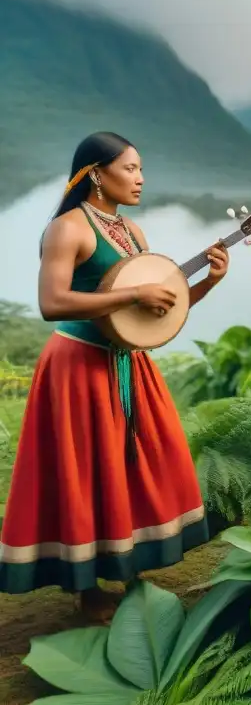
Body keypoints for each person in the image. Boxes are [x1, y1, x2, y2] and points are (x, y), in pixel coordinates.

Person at [0, 132, 227, 620]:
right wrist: (131, 295)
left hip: (127, 363)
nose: (141, 178)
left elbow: (158, 310)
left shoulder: (133, 234)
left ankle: (129, 563)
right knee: (84, 470)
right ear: (97, 174)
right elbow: (51, 303)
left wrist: (206, 281)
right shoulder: (67, 229)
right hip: (77, 366)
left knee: (134, 463)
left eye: (142, 169)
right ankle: (88, 588)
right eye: (131, 169)